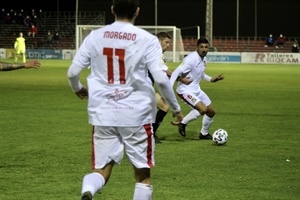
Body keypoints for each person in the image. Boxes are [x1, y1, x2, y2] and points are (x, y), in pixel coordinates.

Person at [67, 1, 183, 200]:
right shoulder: (147, 39)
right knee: (142, 177)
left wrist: (77, 88)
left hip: (103, 114)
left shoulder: (95, 36)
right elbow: (162, 80)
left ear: (112, 9)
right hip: (136, 115)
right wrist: (175, 108)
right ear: (137, 11)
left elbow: (72, 72)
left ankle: (89, 190)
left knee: (100, 170)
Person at [169, 37, 224, 140]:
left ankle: (203, 134)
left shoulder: (204, 58)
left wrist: (211, 79)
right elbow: (176, 72)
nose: (204, 49)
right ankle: (183, 123)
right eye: (201, 47)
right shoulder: (191, 59)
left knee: (211, 111)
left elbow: (201, 73)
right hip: (185, 90)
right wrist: (169, 88)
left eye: (206, 47)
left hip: (196, 90)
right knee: (202, 109)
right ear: (197, 48)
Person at [152, 32, 191, 144]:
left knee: (164, 106)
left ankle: (150, 134)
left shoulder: (154, 53)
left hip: (141, 87)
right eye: (166, 42)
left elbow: (166, 72)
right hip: (138, 88)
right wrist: (177, 110)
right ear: (159, 41)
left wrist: (181, 79)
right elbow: (164, 78)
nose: (168, 45)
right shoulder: (156, 54)